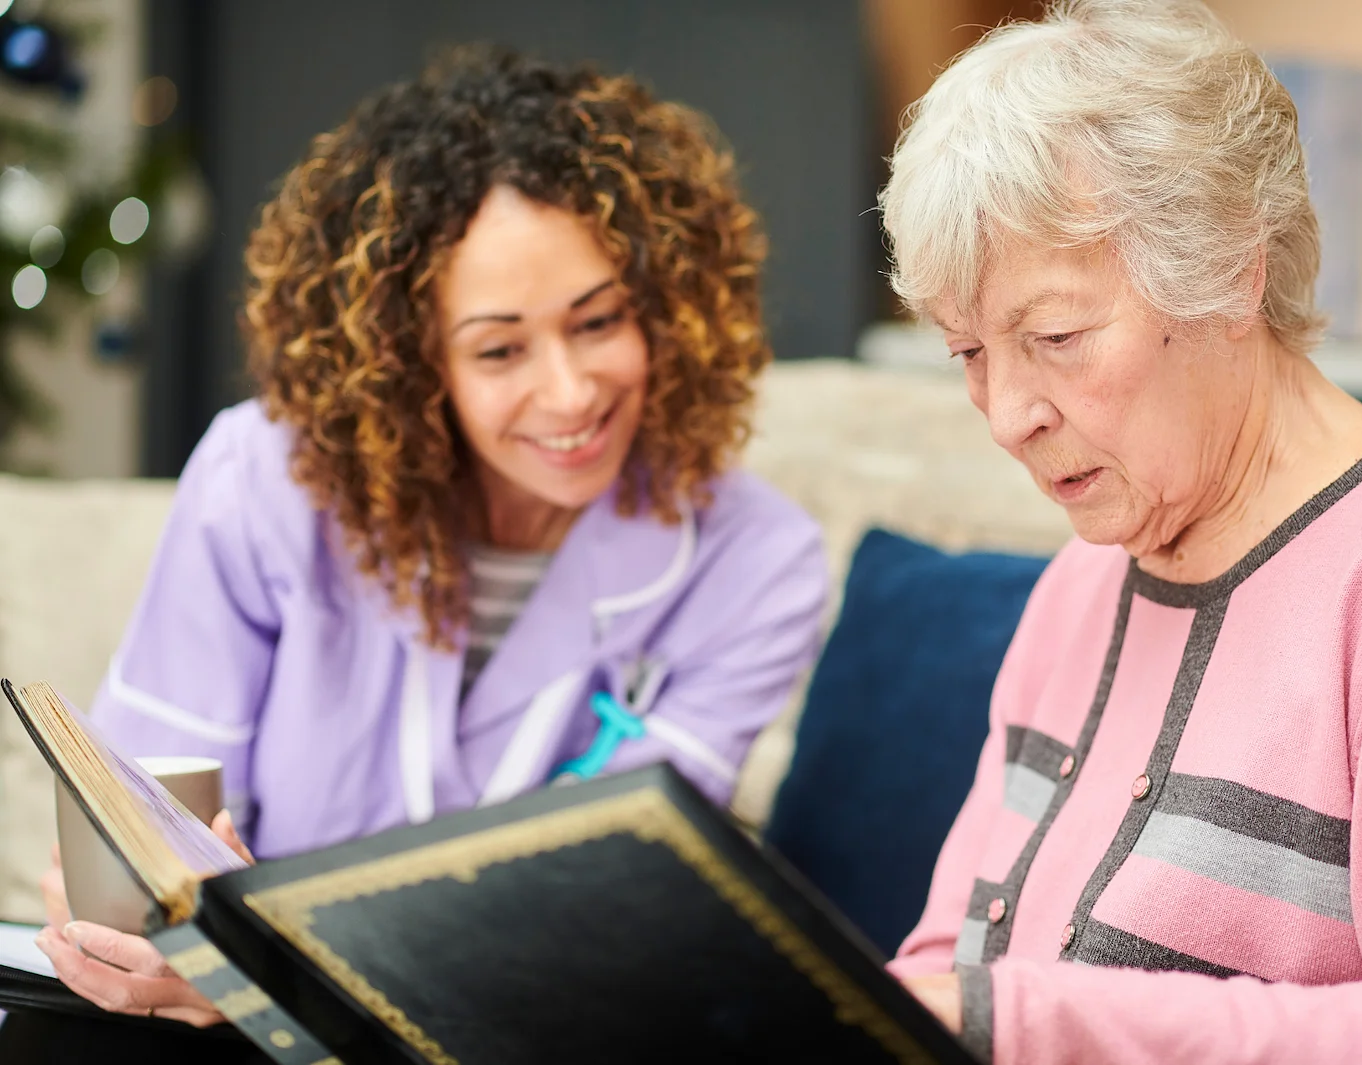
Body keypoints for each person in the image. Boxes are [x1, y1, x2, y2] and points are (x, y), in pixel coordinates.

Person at [31, 47, 828, 1028]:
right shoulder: (260, 482)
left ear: (667, 306)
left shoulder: (759, 566)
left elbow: (602, 926)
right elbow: (141, 827)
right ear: (411, 363)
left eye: (598, 321)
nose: (571, 394)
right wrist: (130, 919)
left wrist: (268, 976)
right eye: (499, 349)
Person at [878, 3, 1362, 1063]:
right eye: (968, 352)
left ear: (1228, 270)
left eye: (1054, 337)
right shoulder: (1081, 585)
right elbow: (949, 961)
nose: (1005, 413)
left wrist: (1019, 1026)